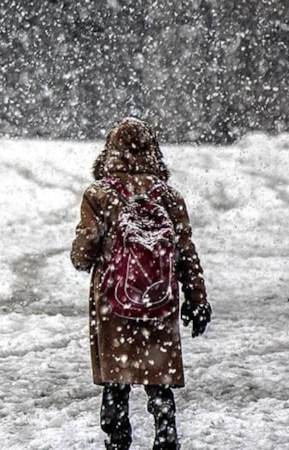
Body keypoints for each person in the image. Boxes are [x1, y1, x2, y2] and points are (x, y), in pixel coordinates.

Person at [71, 118, 211, 450]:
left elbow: (83, 252)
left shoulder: (99, 195)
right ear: (153, 152)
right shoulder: (169, 197)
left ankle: (117, 439)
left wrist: (85, 253)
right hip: (159, 303)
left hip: (113, 302)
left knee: (116, 379)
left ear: (109, 152)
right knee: (157, 376)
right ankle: (165, 435)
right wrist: (197, 299)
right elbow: (186, 254)